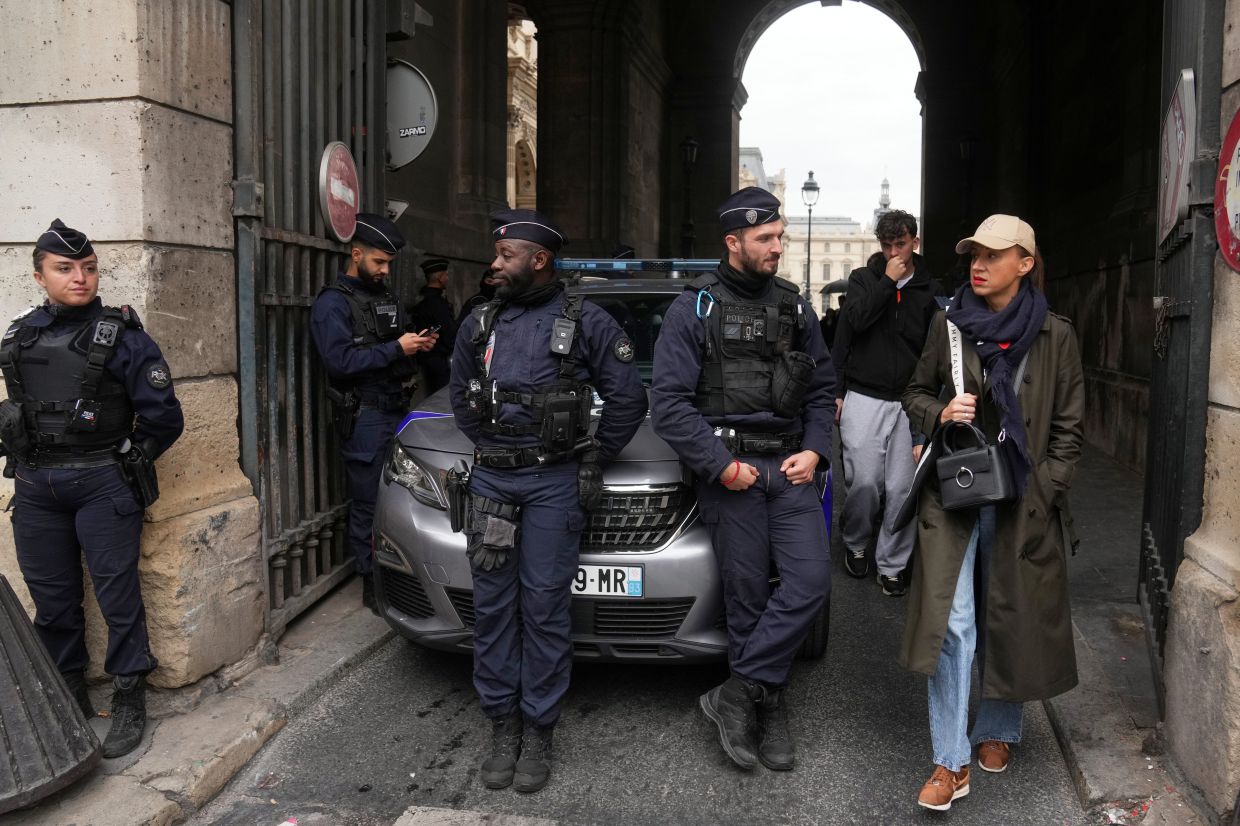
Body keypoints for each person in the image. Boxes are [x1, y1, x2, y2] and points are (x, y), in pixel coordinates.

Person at [449, 208, 646, 793]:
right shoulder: (479, 323)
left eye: (504, 256)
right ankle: (501, 725)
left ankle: (538, 729)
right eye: (496, 254)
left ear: (539, 260)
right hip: (492, 483)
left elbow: (627, 400)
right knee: (492, 609)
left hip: (553, 483)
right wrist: (487, 443)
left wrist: (592, 458)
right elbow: (460, 390)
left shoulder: (587, 321)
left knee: (543, 609)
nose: (494, 264)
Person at [900, 215, 1083, 811]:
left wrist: (1048, 490)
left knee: (1011, 609)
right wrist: (941, 413)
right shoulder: (947, 324)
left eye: (993, 255)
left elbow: (1068, 428)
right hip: (955, 496)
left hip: (1023, 498)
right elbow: (914, 394)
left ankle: (999, 728)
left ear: (1025, 263)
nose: (977, 264)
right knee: (955, 625)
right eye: (973, 254)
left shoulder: (1056, 335)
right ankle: (949, 762)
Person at [650, 187, 835, 772]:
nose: (778, 247)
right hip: (732, 473)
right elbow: (670, 404)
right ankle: (767, 705)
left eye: (780, 236)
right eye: (766, 239)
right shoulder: (693, 310)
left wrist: (815, 450)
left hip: (789, 468)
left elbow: (824, 389)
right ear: (733, 243)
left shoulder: (796, 307)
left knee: (809, 584)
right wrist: (720, 465)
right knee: (748, 596)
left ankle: (737, 691)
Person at [0, 219, 184, 758]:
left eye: (89, 267)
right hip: (37, 489)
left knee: (117, 597)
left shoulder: (124, 337)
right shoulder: (18, 337)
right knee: (53, 603)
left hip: (102, 484)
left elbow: (164, 418)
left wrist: (128, 465)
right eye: (65, 268)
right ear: (39, 276)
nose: (80, 277)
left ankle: (129, 696)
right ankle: (68, 692)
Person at [310, 213, 437, 613]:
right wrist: (397, 349)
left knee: (401, 495)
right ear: (356, 253)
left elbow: (390, 347)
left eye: (389, 264)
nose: (385, 271)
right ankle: (370, 580)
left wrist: (416, 346)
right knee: (368, 500)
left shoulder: (384, 297)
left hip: (396, 408)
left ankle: (400, 571)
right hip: (365, 415)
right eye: (379, 262)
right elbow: (340, 362)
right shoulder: (332, 304)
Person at [833, 210, 941, 595]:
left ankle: (892, 563)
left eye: (901, 243)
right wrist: (837, 390)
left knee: (900, 488)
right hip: (864, 392)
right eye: (886, 244)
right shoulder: (864, 280)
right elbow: (852, 326)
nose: (894, 251)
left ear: (915, 240)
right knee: (863, 481)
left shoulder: (929, 290)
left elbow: (934, 351)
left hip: (910, 400)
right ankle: (857, 541)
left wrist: (929, 409)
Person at [408, 257, 458, 395]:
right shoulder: (438, 304)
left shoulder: (423, 301)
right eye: (446, 275)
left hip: (426, 360)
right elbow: (449, 335)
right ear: (440, 278)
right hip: (438, 361)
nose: (447, 278)